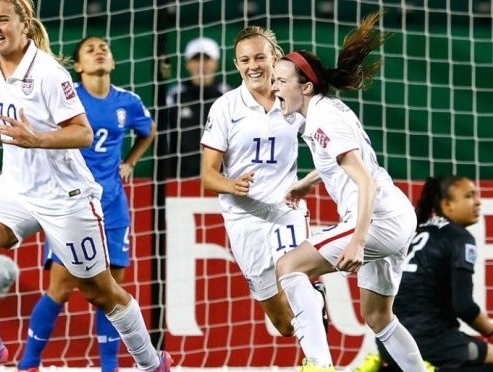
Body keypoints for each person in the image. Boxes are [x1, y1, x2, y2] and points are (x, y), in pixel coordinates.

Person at [0, 1, 171, 371]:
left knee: (98, 291)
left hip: (66, 197)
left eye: (3, 19)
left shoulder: (51, 74)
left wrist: (37, 139)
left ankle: (151, 362)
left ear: (25, 24)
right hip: (15, 189)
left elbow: (83, 133)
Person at [271, 10, 428, 372]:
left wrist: (357, 240)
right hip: (399, 215)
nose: (275, 88)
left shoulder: (324, 119)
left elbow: (364, 180)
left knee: (288, 265)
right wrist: (307, 183)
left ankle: (318, 363)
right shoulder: (325, 113)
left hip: (377, 219)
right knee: (379, 318)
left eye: (281, 81)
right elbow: (342, 162)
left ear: (305, 87)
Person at [16, 35, 157, 372]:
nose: (99, 52)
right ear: (77, 66)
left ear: (112, 63)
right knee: (61, 288)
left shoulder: (129, 102)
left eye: (104, 49)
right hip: (71, 206)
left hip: (112, 206)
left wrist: (131, 161)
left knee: (110, 291)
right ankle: (29, 362)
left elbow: (148, 130)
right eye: (90, 50)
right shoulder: (69, 99)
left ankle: (109, 366)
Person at [200, 26, 327, 340]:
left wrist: (311, 179)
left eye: (260, 57)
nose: (252, 65)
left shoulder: (296, 100)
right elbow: (208, 174)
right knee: (285, 325)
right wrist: (232, 185)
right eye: (245, 60)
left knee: (296, 285)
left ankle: (317, 354)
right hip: (242, 218)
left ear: (276, 58)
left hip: (286, 209)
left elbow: (332, 146)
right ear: (236, 64)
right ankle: (315, 296)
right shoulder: (226, 107)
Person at [367, 176, 491, 371]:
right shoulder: (459, 237)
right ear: (447, 204)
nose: (477, 202)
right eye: (469, 196)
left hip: (391, 343)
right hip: (432, 341)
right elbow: (464, 306)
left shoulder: (412, 231)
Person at [165, 37, 229, 178]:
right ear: (187, 64)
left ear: (215, 63)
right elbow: (167, 138)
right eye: (196, 59)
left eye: (206, 59)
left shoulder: (228, 96)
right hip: (181, 175)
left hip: (220, 176)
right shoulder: (175, 96)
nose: (201, 64)